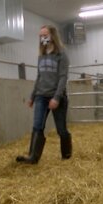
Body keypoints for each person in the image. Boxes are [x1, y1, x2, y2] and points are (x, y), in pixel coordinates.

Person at [16, 25, 72, 164]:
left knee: (61, 129)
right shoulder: (41, 55)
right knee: (37, 126)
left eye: (45, 35)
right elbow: (39, 77)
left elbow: (63, 77)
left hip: (56, 96)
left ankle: (67, 155)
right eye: (40, 36)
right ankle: (32, 157)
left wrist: (57, 97)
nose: (42, 38)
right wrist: (32, 96)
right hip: (41, 96)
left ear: (52, 36)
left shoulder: (61, 54)